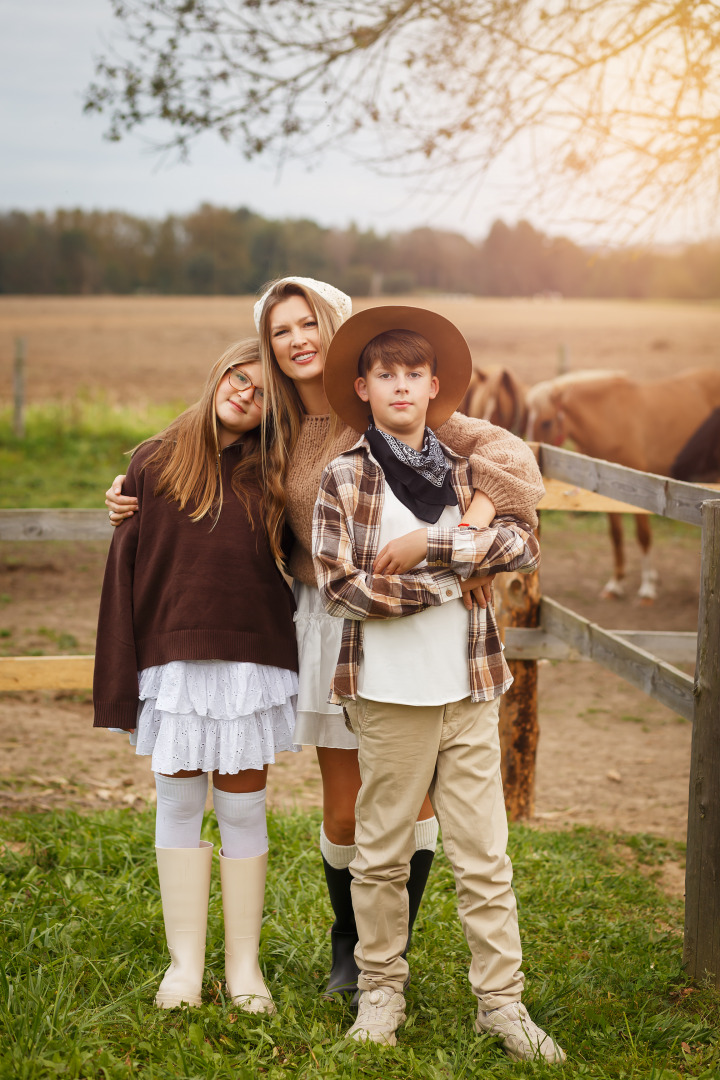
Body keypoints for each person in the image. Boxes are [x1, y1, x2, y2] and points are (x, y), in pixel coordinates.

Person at [105, 276, 546, 1001]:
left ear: (335, 327)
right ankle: (353, 945)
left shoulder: (380, 404)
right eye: (280, 330)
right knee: (345, 797)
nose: (297, 339)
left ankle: (391, 947)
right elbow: (194, 440)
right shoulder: (275, 424)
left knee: (413, 798)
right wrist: (127, 488)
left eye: (308, 323)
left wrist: (461, 527)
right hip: (318, 612)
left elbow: (516, 464)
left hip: (411, 614)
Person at [312, 306, 565, 1063]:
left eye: (411, 375)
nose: (398, 386)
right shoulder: (346, 476)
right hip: (390, 694)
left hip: (470, 688)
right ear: (363, 387)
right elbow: (344, 587)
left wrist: (436, 544)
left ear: (434, 386)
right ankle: (380, 990)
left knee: (485, 854)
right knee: (383, 852)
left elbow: (520, 540)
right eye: (383, 375)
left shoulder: (465, 472)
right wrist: (459, 580)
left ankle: (502, 1004)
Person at [93, 339, 299, 1015]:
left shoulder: (278, 470)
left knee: (242, 807)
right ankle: (184, 967)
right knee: (178, 803)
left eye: (262, 388)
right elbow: (127, 573)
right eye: (239, 376)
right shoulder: (154, 459)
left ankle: (244, 970)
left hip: (250, 657)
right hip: (174, 657)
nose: (244, 391)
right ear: (220, 375)